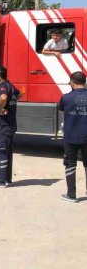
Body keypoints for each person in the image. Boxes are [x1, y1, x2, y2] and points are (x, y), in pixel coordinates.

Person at [58, 71, 87, 203]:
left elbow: (62, 112)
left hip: (71, 137)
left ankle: (71, 194)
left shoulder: (65, 97)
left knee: (70, 164)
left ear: (72, 82)